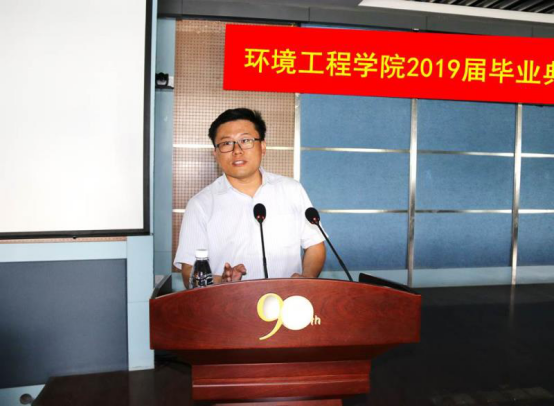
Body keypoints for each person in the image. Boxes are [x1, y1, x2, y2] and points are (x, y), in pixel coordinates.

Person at [174, 108, 326, 287]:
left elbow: (315, 245)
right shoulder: (200, 204)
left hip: (287, 299)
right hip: (228, 302)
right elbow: (189, 271)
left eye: (245, 140)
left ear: (263, 147)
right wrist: (221, 281)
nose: (237, 151)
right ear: (215, 154)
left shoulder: (291, 190)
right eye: (226, 143)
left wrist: (306, 278)